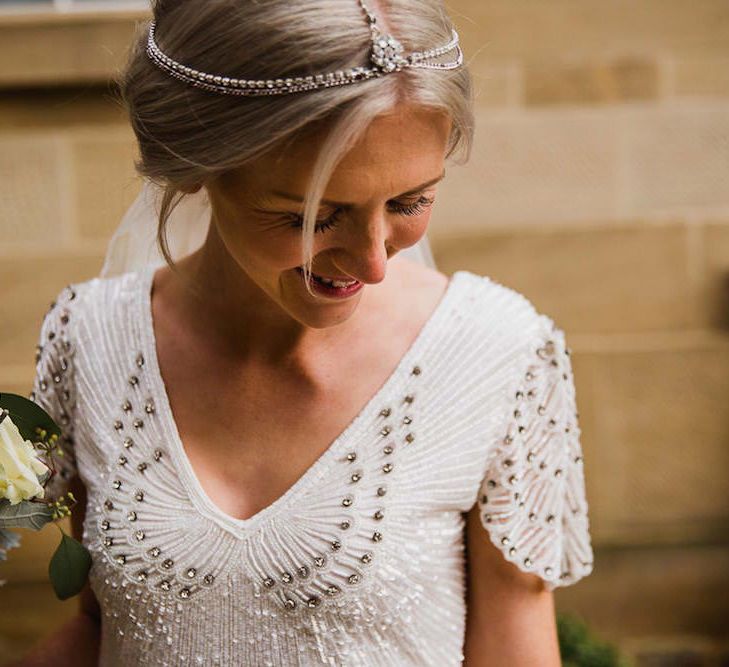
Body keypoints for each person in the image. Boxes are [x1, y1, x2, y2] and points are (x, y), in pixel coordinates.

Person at [18, 1, 594, 665]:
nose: (374, 260)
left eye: (410, 202)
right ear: (198, 164)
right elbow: (100, 626)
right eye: (315, 217)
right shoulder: (87, 340)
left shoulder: (499, 352)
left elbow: (513, 648)